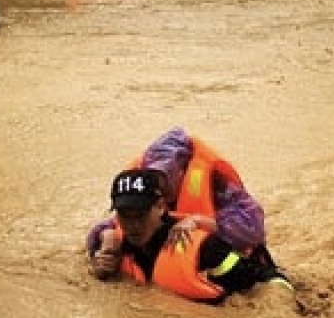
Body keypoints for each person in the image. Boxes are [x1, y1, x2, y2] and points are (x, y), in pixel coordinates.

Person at [88, 169, 285, 303]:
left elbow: (272, 281)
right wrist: (99, 270)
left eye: (141, 214)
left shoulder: (204, 248)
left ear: (160, 206)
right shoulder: (112, 246)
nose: (133, 224)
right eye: (125, 214)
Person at [84, 127, 274, 267]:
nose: (157, 186)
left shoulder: (216, 184)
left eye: (163, 176)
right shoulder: (143, 190)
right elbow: (116, 221)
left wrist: (197, 221)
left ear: (183, 171)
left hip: (233, 260)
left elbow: (253, 230)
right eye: (152, 176)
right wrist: (107, 236)